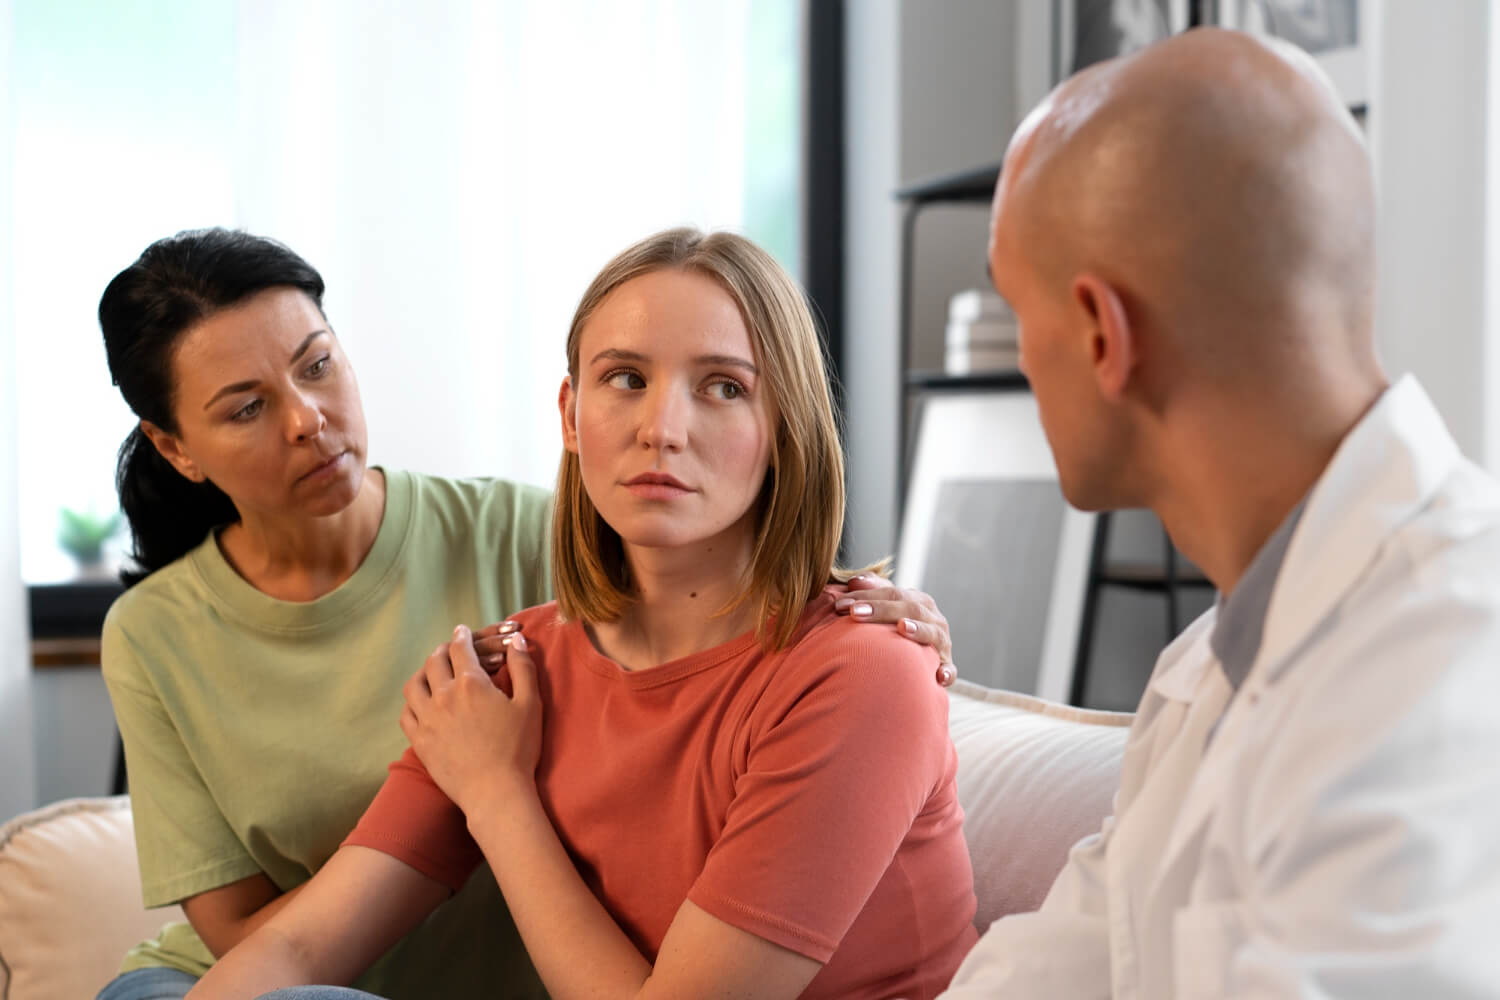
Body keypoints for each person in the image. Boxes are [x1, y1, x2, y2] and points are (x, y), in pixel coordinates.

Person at [95, 227, 958, 1000]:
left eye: (724, 387)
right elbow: (295, 946)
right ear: (571, 415)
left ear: (789, 424)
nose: (662, 427)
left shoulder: (861, 670)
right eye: (625, 378)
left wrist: (498, 795)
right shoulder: (505, 671)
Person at [940, 27, 1500, 998]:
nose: (1021, 363)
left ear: (1102, 333)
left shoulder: (1448, 662)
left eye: (1018, 314)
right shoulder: (1215, 659)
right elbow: (1058, 965)